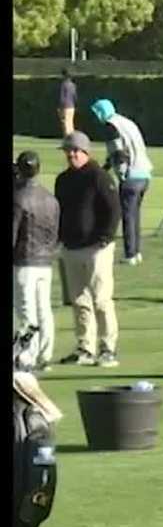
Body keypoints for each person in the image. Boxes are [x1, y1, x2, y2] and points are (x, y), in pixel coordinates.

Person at [53, 131, 120, 368]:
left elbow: (113, 210)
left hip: (96, 248)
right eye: (67, 151)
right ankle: (85, 347)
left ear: (85, 152)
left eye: (75, 151)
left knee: (101, 299)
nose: (71, 155)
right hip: (71, 247)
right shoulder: (62, 180)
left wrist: (105, 238)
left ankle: (108, 348)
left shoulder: (99, 177)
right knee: (79, 300)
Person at [13, 151, 61, 372]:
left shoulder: (19, 198)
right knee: (44, 309)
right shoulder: (50, 198)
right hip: (45, 262)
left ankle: (27, 356)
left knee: (26, 311)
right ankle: (45, 353)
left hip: (25, 261)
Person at [91, 98, 153, 266]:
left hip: (131, 175)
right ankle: (136, 251)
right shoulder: (126, 122)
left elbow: (118, 153)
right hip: (145, 174)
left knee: (127, 216)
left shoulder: (111, 126)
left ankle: (130, 254)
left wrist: (122, 174)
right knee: (135, 215)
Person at [58, 69, 77, 136]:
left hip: (65, 106)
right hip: (72, 106)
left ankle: (67, 140)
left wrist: (60, 108)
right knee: (70, 124)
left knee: (65, 124)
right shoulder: (73, 85)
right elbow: (75, 97)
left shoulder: (64, 84)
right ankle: (73, 139)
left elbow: (62, 97)